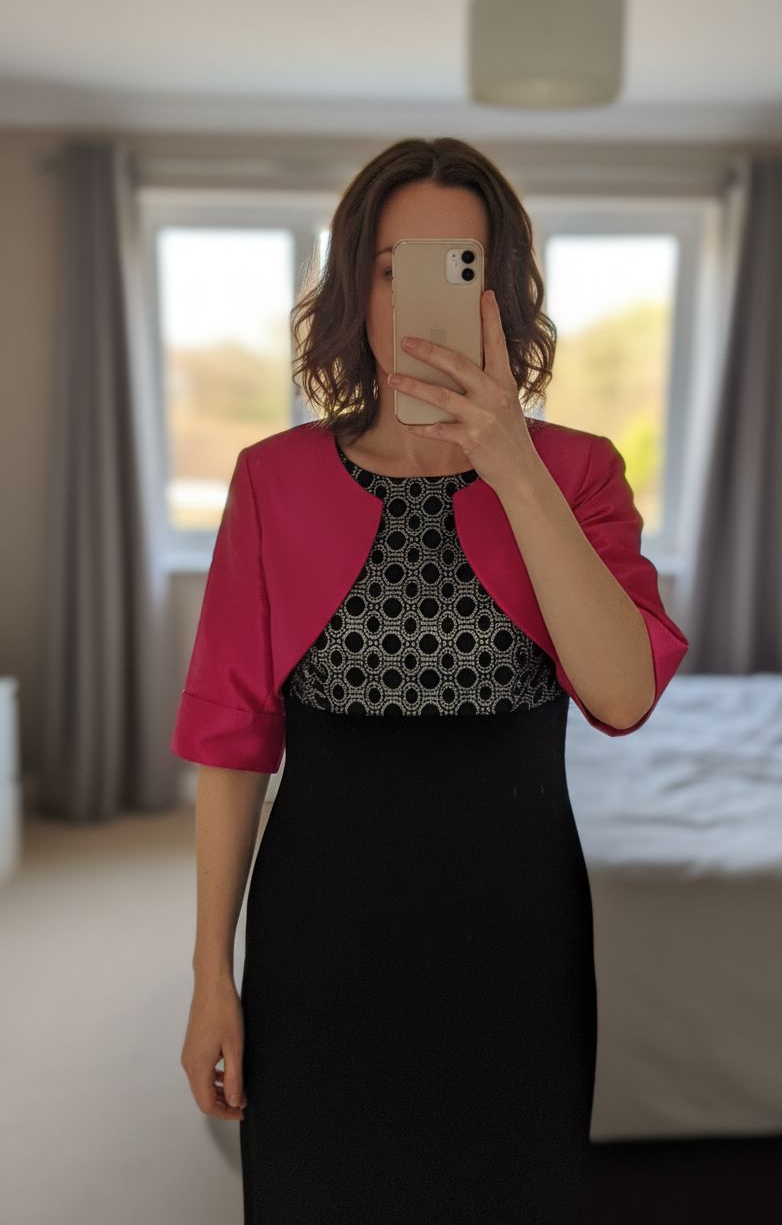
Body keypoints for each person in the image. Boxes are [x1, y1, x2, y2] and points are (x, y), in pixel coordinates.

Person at [174, 136, 689, 1223]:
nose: (420, 297)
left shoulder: (578, 472)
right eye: (391, 265)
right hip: (321, 934)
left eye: (457, 266)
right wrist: (210, 974)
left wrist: (509, 460)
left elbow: (623, 694)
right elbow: (231, 740)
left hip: (515, 938)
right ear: (354, 283)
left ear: (499, 292)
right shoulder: (271, 480)